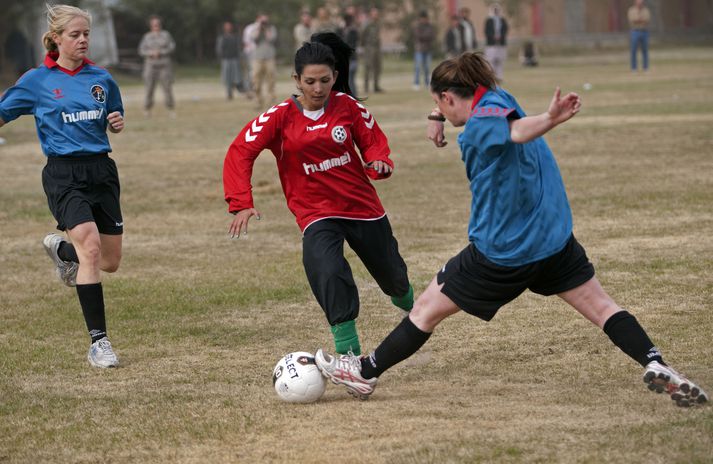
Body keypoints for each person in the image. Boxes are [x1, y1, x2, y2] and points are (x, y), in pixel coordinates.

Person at [314, 52, 709, 408]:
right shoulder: (498, 98)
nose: (437, 109)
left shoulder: (479, 129)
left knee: (426, 310)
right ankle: (656, 363)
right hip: (553, 241)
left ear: (450, 97)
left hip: (501, 251)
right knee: (602, 306)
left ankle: (365, 372)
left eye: (438, 103)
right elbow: (501, 116)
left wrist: (550, 119)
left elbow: (517, 131)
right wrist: (437, 117)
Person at [223, 32, 414, 359]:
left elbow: (372, 141)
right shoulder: (279, 117)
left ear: (335, 76)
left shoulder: (348, 106)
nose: (317, 88)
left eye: (325, 80)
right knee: (326, 270)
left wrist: (379, 161)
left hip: (361, 207)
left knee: (394, 279)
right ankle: (349, 357)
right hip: (316, 213)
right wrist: (241, 202)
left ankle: (416, 309)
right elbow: (240, 152)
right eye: (309, 81)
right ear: (296, 79)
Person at [0, 4, 125, 368]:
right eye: (75, 34)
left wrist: (116, 122)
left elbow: (113, 115)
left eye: (86, 33)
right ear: (56, 39)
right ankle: (99, 343)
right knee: (89, 246)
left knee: (109, 261)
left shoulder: (102, 78)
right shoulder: (37, 81)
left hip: (101, 171)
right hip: (63, 174)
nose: (83, 40)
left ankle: (62, 254)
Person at [138, 15, 176, 117]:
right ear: (151, 26)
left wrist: (161, 52)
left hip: (164, 65)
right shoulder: (147, 37)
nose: (156, 26)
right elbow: (141, 50)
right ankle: (147, 109)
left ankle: (171, 109)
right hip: (150, 66)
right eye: (154, 25)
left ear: (160, 25)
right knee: (149, 88)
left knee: (167, 88)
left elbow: (172, 47)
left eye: (158, 24)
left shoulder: (166, 35)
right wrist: (150, 53)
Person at [249, 13, 277, 108]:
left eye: (265, 21)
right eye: (262, 21)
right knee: (256, 81)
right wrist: (259, 28)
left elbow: (271, 39)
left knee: (271, 80)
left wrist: (266, 29)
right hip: (257, 58)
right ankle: (258, 101)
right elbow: (253, 38)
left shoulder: (271, 28)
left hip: (269, 58)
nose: (264, 23)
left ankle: (271, 101)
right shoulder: (255, 29)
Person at [216, 21, 244, 100]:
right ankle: (229, 94)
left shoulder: (235, 37)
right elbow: (219, 49)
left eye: (229, 26)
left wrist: (240, 58)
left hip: (235, 59)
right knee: (227, 78)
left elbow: (239, 49)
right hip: (226, 60)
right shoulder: (222, 38)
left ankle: (240, 90)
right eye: (227, 26)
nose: (228, 28)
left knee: (237, 77)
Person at [484, 3, 508, 82]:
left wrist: (501, 37)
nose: (496, 11)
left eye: (497, 10)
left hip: (500, 43)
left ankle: (499, 76)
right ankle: (491, 77)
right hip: (491, 44)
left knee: (500, 60)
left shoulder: (502, 20)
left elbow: (505, 30)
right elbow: (486, 31)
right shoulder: (489, 20)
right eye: (495, 10)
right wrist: (492, 36)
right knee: (491, 61)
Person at [361, 7, 383, 94]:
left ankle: (376, 86)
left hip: (377, 48)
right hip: (369, 48)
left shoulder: (377, 24)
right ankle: (366, 87)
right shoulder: (367, 24)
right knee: (368, 67)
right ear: (371, 14)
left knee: (377, 67)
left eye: (377, 14)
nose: (376, 16)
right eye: (374, 14)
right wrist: (364, 45)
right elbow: (362, 34)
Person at [412, 10, 435, 91]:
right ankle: (416, 83)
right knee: (418, 67)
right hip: (419, 50)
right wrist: (426, 37)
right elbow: (418, 36)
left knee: (427, 67)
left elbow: (432, 36)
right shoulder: (417, 27)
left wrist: (425, 37)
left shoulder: (430, 26)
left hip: (428, 50)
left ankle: (427, 83)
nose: (424, 20)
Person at [628, 0, 651, 72]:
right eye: (638, 1)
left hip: (644, 31)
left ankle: (645, 68)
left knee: (645, 50)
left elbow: (647, 19)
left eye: (641, 1)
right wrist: (640, 20)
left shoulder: (646, 10)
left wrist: (638, 20)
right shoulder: (631, 10)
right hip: (635, 31)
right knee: (633, 50)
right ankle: (634, 68)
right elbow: (632, 20)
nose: (640, 2)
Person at [341, 13, 360, 96]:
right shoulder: (346, 30)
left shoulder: (352, 31)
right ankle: (352, 96)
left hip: (350, 59)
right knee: (350, 80)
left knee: (350, 80)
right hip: (349, 59)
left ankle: (352, 96)